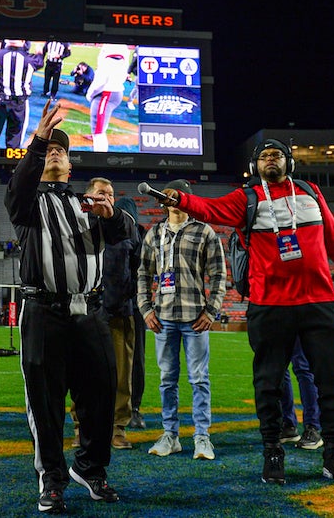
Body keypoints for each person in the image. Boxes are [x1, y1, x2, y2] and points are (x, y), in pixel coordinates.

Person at [156, 139, 334, 485]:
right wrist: (182, 200)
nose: (271, 160)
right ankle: (273, 453)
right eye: (264, 156)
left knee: (332, 384)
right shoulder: (246, 198)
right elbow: (210, 210)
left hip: (318, 302)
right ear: (255, 165)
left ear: (289, 162)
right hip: (270, 306)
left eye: (277, 155)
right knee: (268, 385)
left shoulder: (311, 191)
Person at [4, 102, 131, 513]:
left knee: (100, 396)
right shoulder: (27, 204)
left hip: (91, 313)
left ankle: (91, 468)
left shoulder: (87, 203)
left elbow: (129, 236)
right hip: (45, 312)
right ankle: (52, 479)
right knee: (46, 401)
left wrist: (112, 216)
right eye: (49, 152)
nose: (56, 152)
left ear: (72, 168)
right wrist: (39, 140)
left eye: (62, 150)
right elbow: (19, 187)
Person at [138, 179, 227, 461]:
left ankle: (202, 437)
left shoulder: (204, 231)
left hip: (194, 317)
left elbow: (219, 274)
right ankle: (171, 435)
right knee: (167, 380)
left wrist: (211, 311)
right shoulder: (154, 234)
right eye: (166, 195)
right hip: (162, 318)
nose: (169, 199)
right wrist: (145, 309)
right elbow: (142, 274)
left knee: (199, 379)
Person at [71, 179, 142, 451]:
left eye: (111, 194)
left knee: (121, 378)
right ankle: (82, 427)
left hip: (120, 312)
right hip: (86, 313)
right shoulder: (79, 225)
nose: (107, 198)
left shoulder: (126, 226)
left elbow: (137, 268)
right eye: (101, 193)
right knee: (83, 375)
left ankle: (117, 429)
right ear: (88, 197)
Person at [0, 39, 45, 149]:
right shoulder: (31, 59)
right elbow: (40, 62)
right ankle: (11, 164)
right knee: (15, 136)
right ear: (23, 41)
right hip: (18, 103)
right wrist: (39, 52)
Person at [125, 200, 148, 430]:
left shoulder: (142, 237)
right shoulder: (104, 232)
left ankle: (134, 408)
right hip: (108, 307)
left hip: (135, 307)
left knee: (136, 361)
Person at [279, 337, 322, 450]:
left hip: (300, 322)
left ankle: (312, 427)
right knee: (278, 370)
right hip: (277, 321)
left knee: (303, 367)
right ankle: (288, 425)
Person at [85, 43, 131, 152]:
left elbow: (101, 79)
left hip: (106, 93)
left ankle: (99, 162)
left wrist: (90, 94)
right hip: (115, 91)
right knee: (100, 129)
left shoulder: (109, 53)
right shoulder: (124, 49)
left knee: (98, 132)